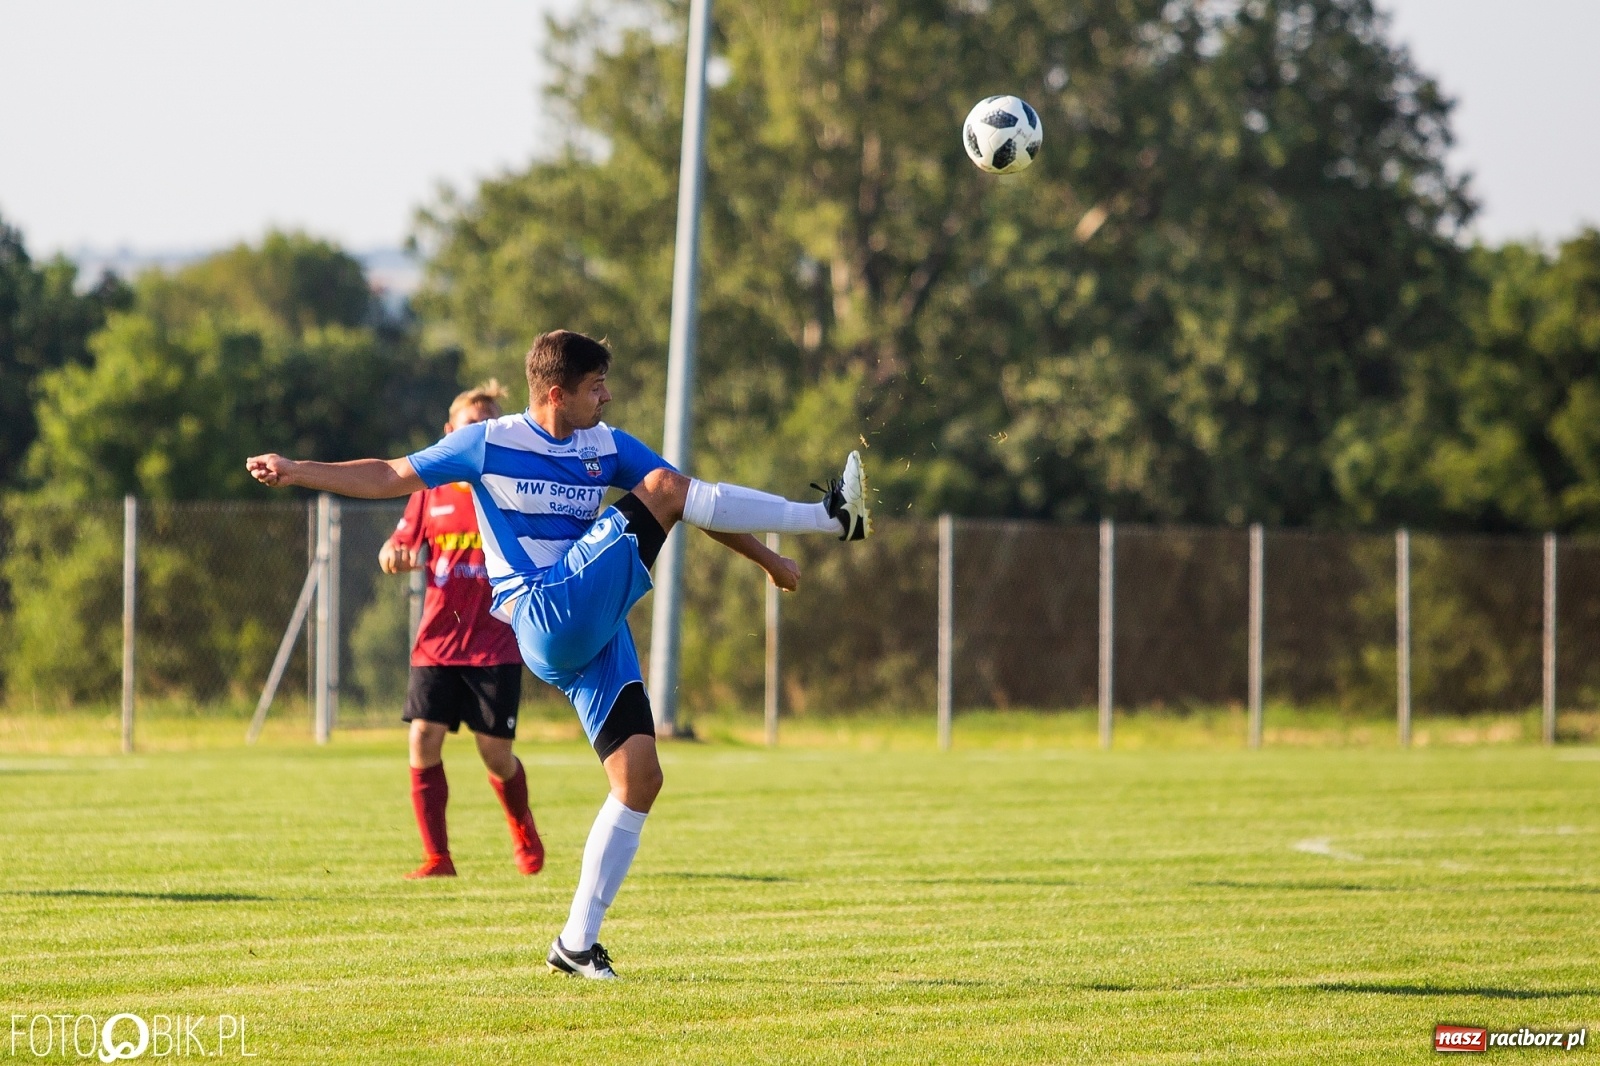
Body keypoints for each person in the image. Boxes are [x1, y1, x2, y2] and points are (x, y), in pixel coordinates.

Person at [247, 329, 869, 980]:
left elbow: (685, 496)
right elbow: (392, 475)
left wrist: (769, 560)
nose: (606, 396)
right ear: (555, 394)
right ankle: (831, 517)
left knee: (639, 778)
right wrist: (296, 470)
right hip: (546, 608)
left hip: (591, 628)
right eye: (595, 387)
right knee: (661, 489)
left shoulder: (605, 446)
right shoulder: (489, 443)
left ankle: (576, 943)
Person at [380, 380, 545, 880]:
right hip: (438, 641)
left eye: (489, 424)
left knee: (495, 754)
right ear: (450, 433)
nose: (481, 433)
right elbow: (398, 543)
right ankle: (438, 858)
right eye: (472, 425)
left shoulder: (514, 489)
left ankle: (523, 827)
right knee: (423, 739)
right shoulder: (430, 492)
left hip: (497, 640)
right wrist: (393, 556)